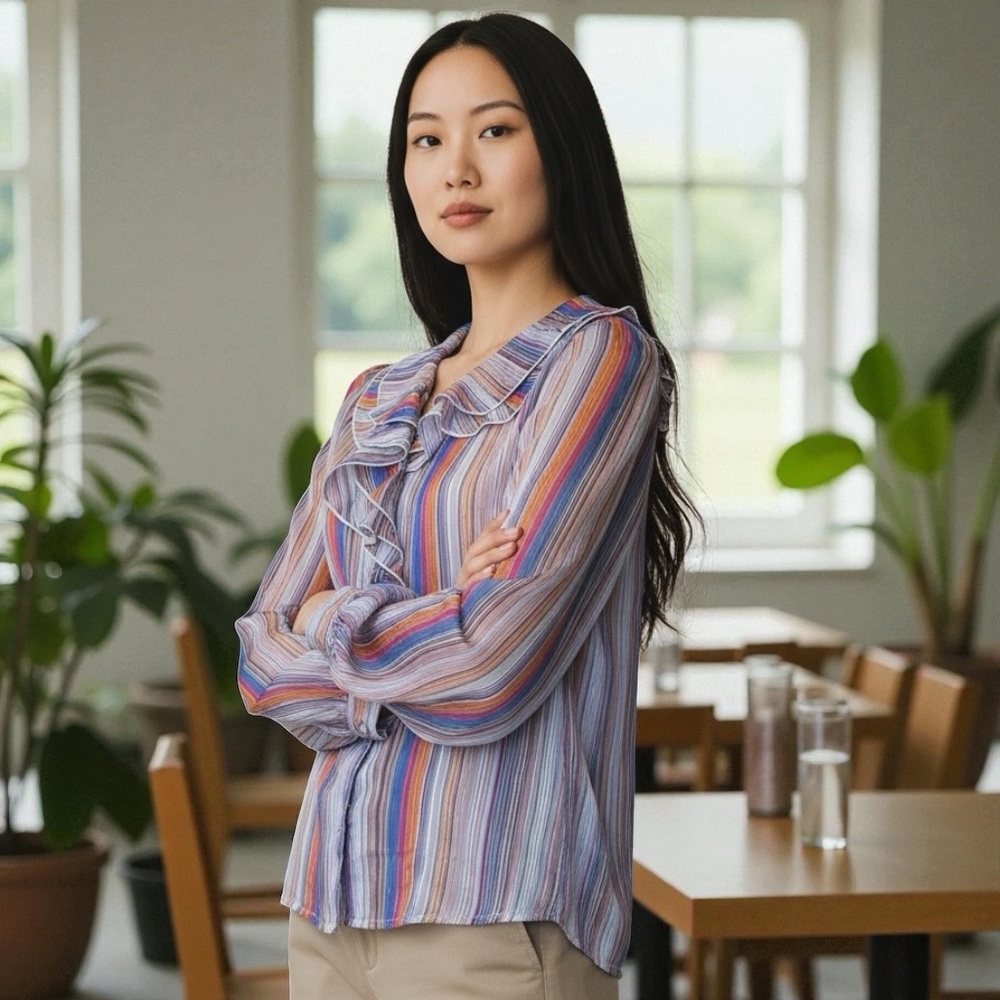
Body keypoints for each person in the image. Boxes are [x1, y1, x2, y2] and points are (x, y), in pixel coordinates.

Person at [236, 12, 696, 1000]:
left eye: (493, 130)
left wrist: (333, 617)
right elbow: (259, 658)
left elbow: (495, 665)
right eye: (425, 139)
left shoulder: (600, 360)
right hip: (330, 898)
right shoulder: (378, 396)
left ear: (559, 149)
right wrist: (431, 614)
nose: (456, 170)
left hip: (494, 913)